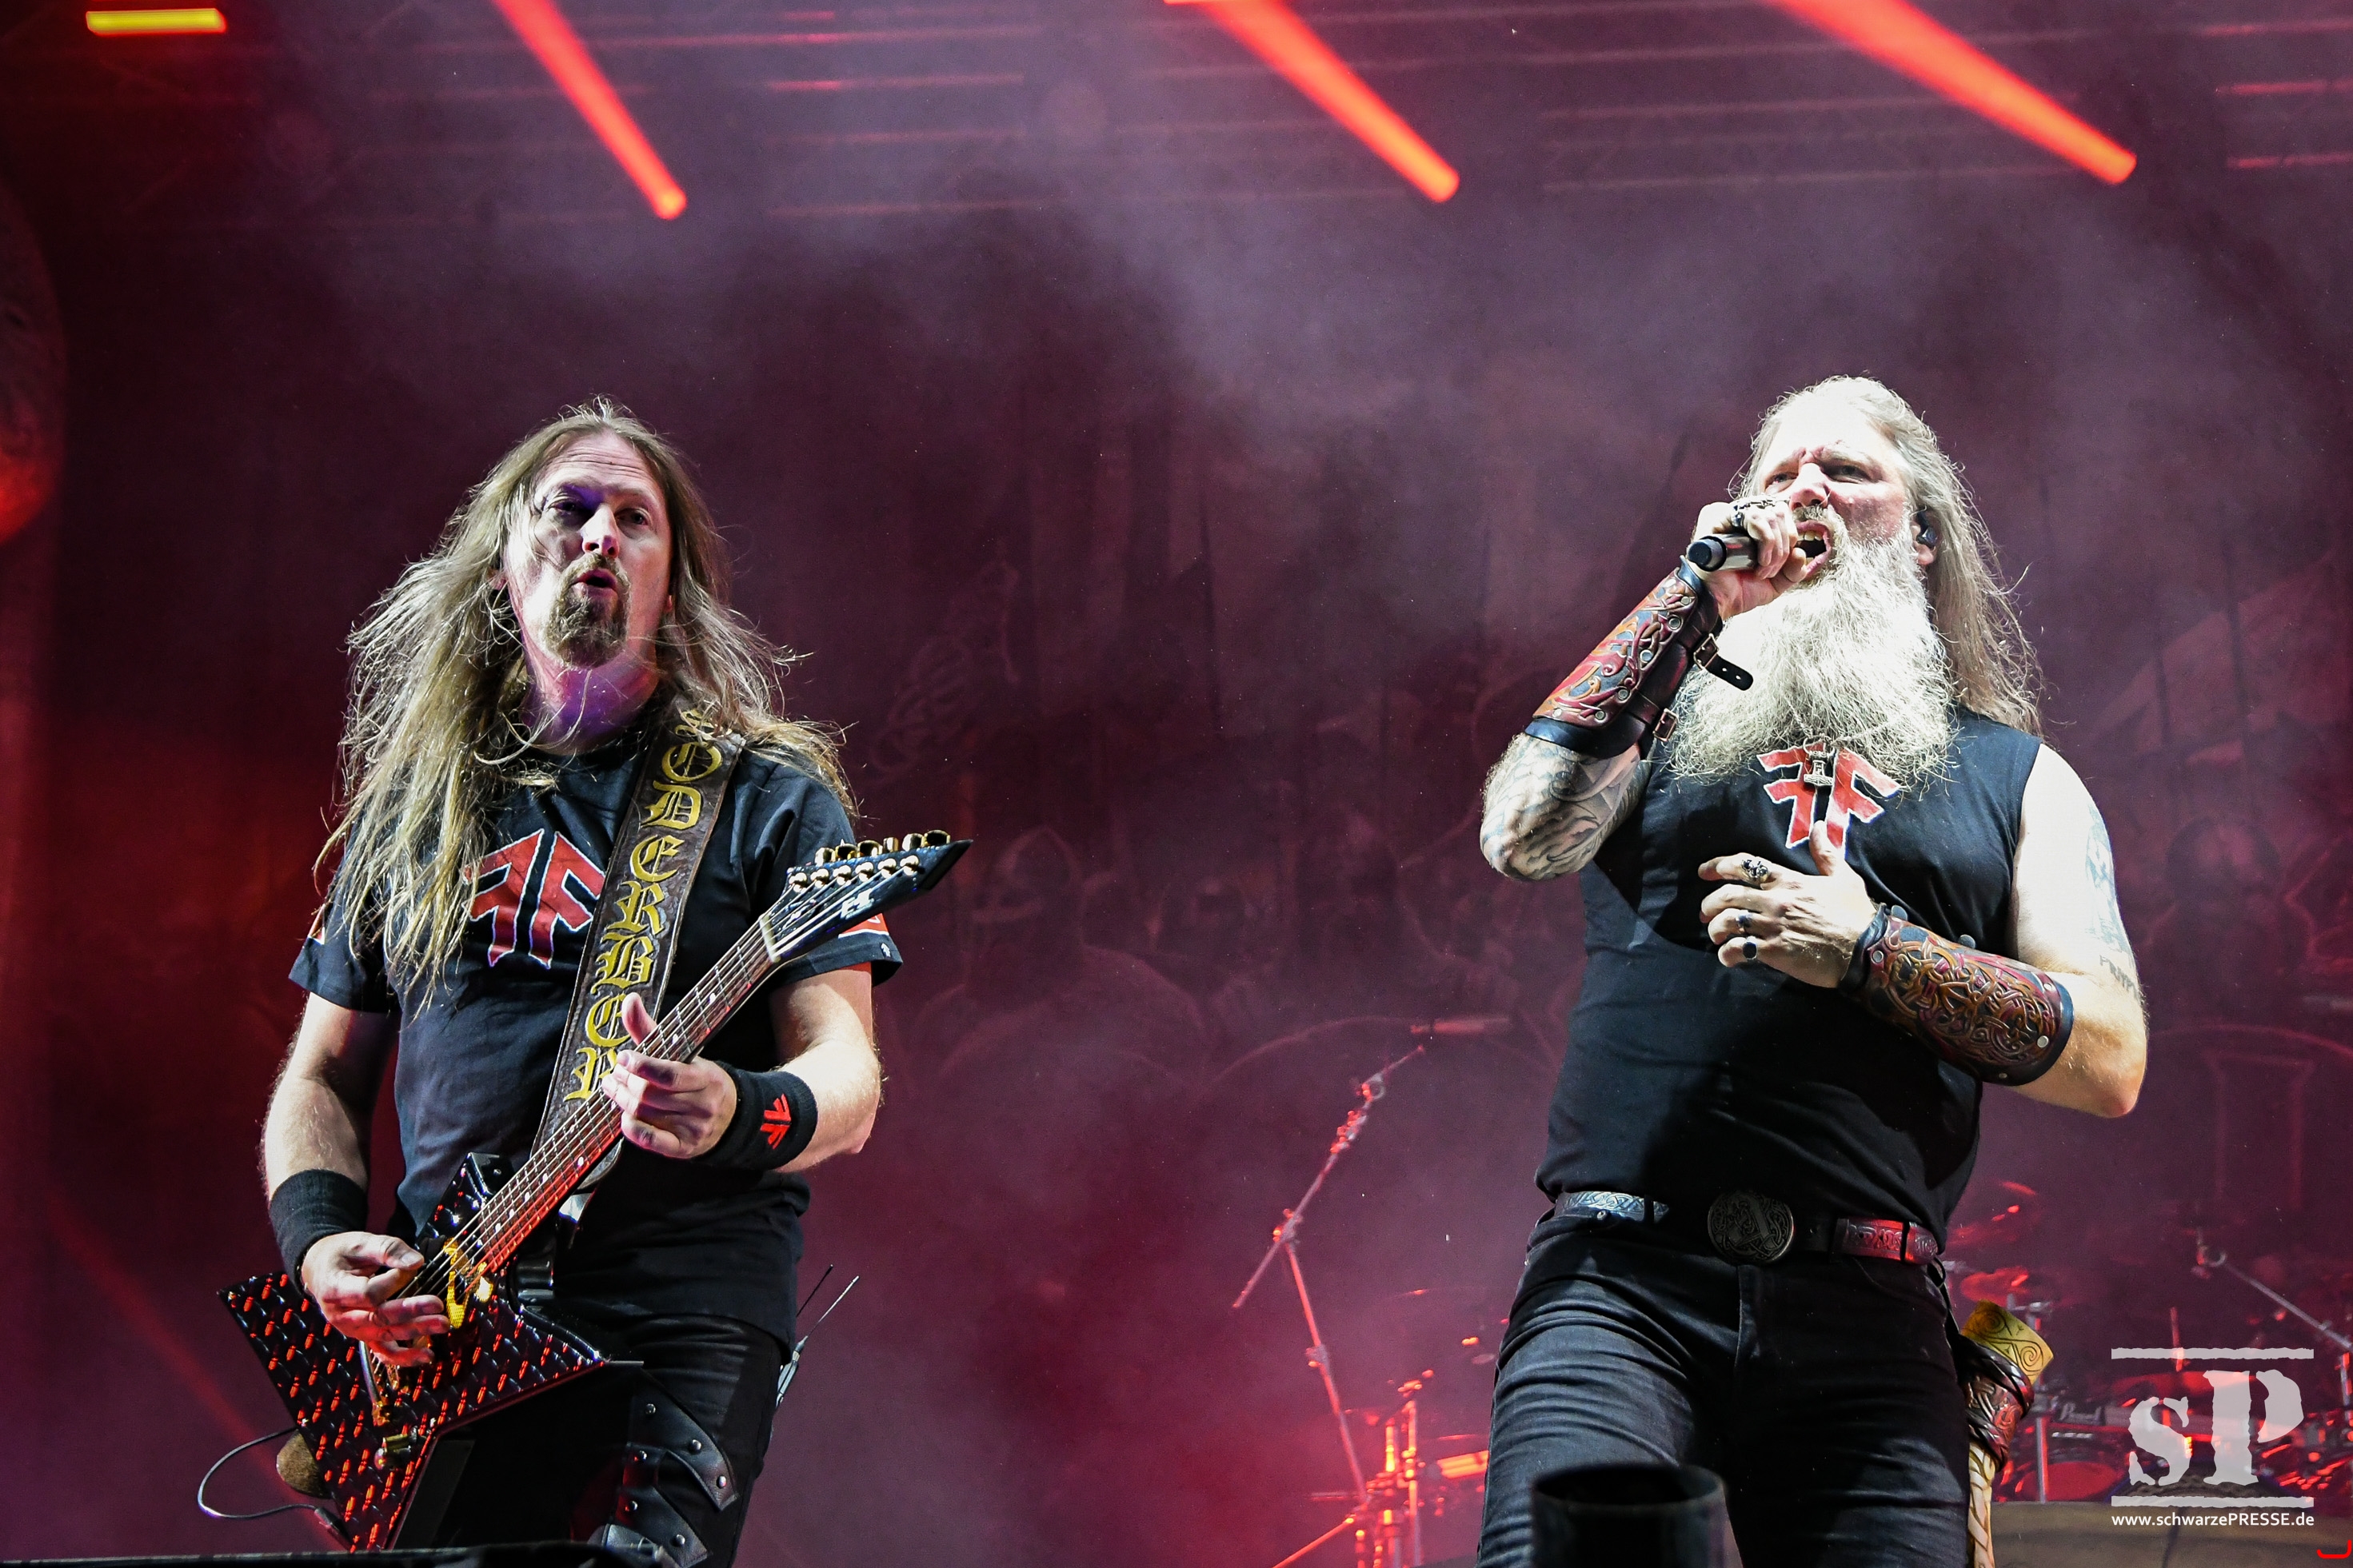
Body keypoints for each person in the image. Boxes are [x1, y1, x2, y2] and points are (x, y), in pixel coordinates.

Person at [1473, 377, 2147, 1566]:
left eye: (1845, 471)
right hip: (1620, 1283)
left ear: (1922, 534)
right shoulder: (1655, 723)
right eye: (1778, 473)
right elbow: (1521, 836)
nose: (1804, 492)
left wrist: (1872, 952)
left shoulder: (2021, 779)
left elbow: (2107, 1060)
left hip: (1869, 1312)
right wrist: (1693, 594)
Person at [260, 401, 898, 1568]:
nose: (600, 534)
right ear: (501, 566)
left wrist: (739, 1108)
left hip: (677, 1310)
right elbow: (320, 1074)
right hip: (445, 1322)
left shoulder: (767, 798)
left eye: (634, 518)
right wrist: (318, 1245)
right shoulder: (415, 811)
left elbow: (848, 1078)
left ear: (673, 587)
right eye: (569, 508)